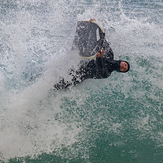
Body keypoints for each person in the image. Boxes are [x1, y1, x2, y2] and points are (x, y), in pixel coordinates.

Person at [54, 19, 130, 90]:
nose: (123, 66)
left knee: (56, 87)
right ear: (122, 61)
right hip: (77, 64)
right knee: (56, 74)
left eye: (124, 69)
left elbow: (100, 70)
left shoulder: (107, 74)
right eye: (125, 65)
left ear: (120, 71)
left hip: (77, 76)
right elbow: (102, 40)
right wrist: (95, 26)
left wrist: (99, 58)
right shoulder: (110, 55)